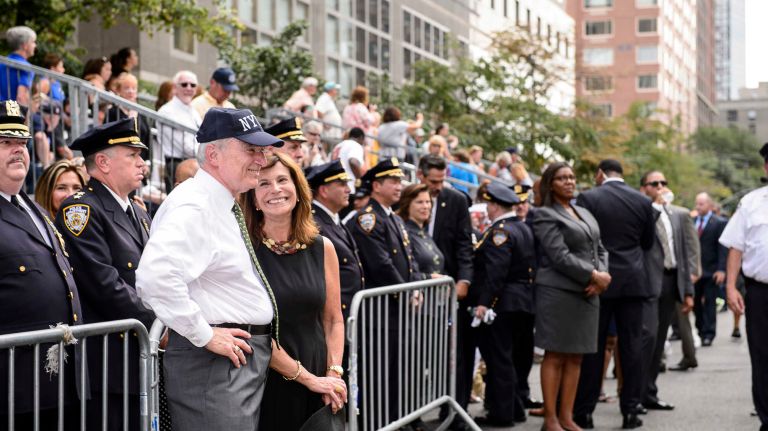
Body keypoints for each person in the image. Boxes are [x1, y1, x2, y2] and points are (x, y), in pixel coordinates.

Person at [136, 107, 284, 430]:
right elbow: (154, 277)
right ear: (214, 155)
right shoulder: (196, 204)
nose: (261, 159)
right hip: (215, 366)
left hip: (230, 364)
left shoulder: (216, 201)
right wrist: (204, 334)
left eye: (262, 150)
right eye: (250, 149)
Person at [54, 118, 154, 431]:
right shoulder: (81, 210)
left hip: (140, 355)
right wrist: (159, 322)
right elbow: (103, 283)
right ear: (103, 162)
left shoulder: (137, 211)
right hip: (108, 363)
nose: (142, 162)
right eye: (133, 155)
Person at [238, 153, 347, 430]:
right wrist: (307, 378)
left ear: (298, 191)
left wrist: (333, 373)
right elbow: (255, 334)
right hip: (265, 377)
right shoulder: (242, 250)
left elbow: (333, 320)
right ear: (253, 198)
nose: (275, 189)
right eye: (263, 184)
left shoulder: (323, 248)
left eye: (282, 180)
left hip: (319, 377)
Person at [0, 99, 83, 429]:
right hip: (13, 385)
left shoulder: (35, 209)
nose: (18, 150)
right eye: (6, 143)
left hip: (59, 381)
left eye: (22, 143)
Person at [573, 159, 655, 430]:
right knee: (631, 347)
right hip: (633, 280)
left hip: (599, 280)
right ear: (622, 174)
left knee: (593, 347)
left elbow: (581, 239)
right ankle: (630, 410)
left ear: (600, 174)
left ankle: (584, 411)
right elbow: (647, 242)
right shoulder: (642, 201)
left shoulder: (589, 198)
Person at [533, 162, 610, 431]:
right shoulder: (543, 214)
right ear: (550, 183)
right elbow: (558, 256)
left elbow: (600, 249)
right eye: (562, 178)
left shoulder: (584, 213)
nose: (569, 182)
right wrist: (593, 275)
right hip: (558, 292)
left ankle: (567, 417)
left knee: (576, 356)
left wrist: (601, 276)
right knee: (555, 355)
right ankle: (550, 419)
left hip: (588, 293)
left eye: (571, 177)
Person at [472, 182, 540, 427]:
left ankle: (502, 414)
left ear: (495, 206)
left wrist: (484, 303)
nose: (488, 210)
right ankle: (515, 407)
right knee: (513, 359)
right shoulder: (522, 227)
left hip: (505, 303)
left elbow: (496, 272)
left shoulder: (500, 232)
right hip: (523, 301)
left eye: (489, 205)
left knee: (500, 359)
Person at [416, 155, 475, 426]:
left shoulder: (457, 201)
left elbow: (464, 246)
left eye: (441, 181)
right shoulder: (410, 198)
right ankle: (417, 410)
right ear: (420, 175)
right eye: (432, 181)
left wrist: (464, 280)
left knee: (455, 354)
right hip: (417, 290)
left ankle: (455, 412)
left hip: (449, 291)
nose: (437, 187)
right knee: (421, 354)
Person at [719, 142, 768, 431]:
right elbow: (735, 248)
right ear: (765, 168)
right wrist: (731, 288)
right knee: (762, 355)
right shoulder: (751, 202)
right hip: (760, 292)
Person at [639, 171, 696, 413]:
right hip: (651, 281)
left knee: (660, 339)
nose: (661, 187)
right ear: (645, 189)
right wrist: (654, 208)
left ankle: (650, 393)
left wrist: (688, 291)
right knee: (647, 339)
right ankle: (634, 394)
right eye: (655, 183)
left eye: (664, 182)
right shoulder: (642, 211)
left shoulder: (676, 215)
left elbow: (684, 253)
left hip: (672, 281)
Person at [307, 160, 364, 320]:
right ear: (324, 190)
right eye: (341, 184)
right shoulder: (314, 222)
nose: (349, 190)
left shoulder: (333, 219)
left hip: (345, 314)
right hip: (330, 317)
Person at [157, 70, 202, 190]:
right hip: (177, 166)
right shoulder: (167, 111)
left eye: (193, 85)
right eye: (184, 84)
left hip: (195, 164)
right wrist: (206, 153)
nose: (189, 88)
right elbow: (185, 146)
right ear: (175, 88)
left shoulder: (193, 112)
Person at [692, 192, 728, 345]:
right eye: (697, 204)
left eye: (701, 204)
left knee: (710, 303)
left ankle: (709, 334)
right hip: (695, 272)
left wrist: (721, 269)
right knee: (695, 303)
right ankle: (700, 329)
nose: (698, 207)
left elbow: (722, 248)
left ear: (710, 206)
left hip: (711, 270)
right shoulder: (692, 221)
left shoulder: (719, 223)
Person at [397, 183, 445, 275]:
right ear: (407, 205)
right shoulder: (404, 232)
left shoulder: (425, 233)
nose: (425, 206)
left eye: (428, 202)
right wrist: (428, 278)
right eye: (420, 202)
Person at [105, 73, 152, 156]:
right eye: (127, 88)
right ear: (119, 91)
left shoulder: (141, 113)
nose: (131, 91)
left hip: (140, 160)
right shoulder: (112, 112)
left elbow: (148, 139)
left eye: (134, 88)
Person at [0, 27, 36, 105]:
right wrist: (26, 117)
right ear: (25, 45)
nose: (35, 45)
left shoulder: (1, 63)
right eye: (33, 42)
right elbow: (21, 97)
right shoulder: (26, 67)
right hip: (10, 113)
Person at [333, 127, 366, 193]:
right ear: (361, 138)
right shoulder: (356, 145)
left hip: (333, 186)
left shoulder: (338, 145)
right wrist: (359, 179)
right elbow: (353, 162)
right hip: (347, 188)